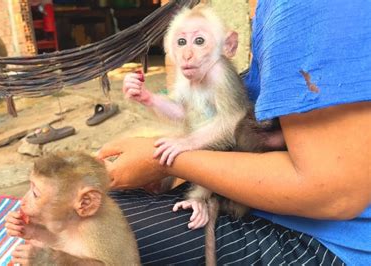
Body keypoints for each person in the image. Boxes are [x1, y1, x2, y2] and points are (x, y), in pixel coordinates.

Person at [97, 1, 371, 265]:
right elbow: (185, 115)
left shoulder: (304, 9)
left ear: (227, 45)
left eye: (199, 42)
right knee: (105, 197)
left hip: (328, 241)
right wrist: (149, 99)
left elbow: (334, 193)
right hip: (266, 189)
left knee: (84, 221)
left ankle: (199, 199)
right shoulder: (193, 75)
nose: (188, 54)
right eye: (181, 43)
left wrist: (164, 159)